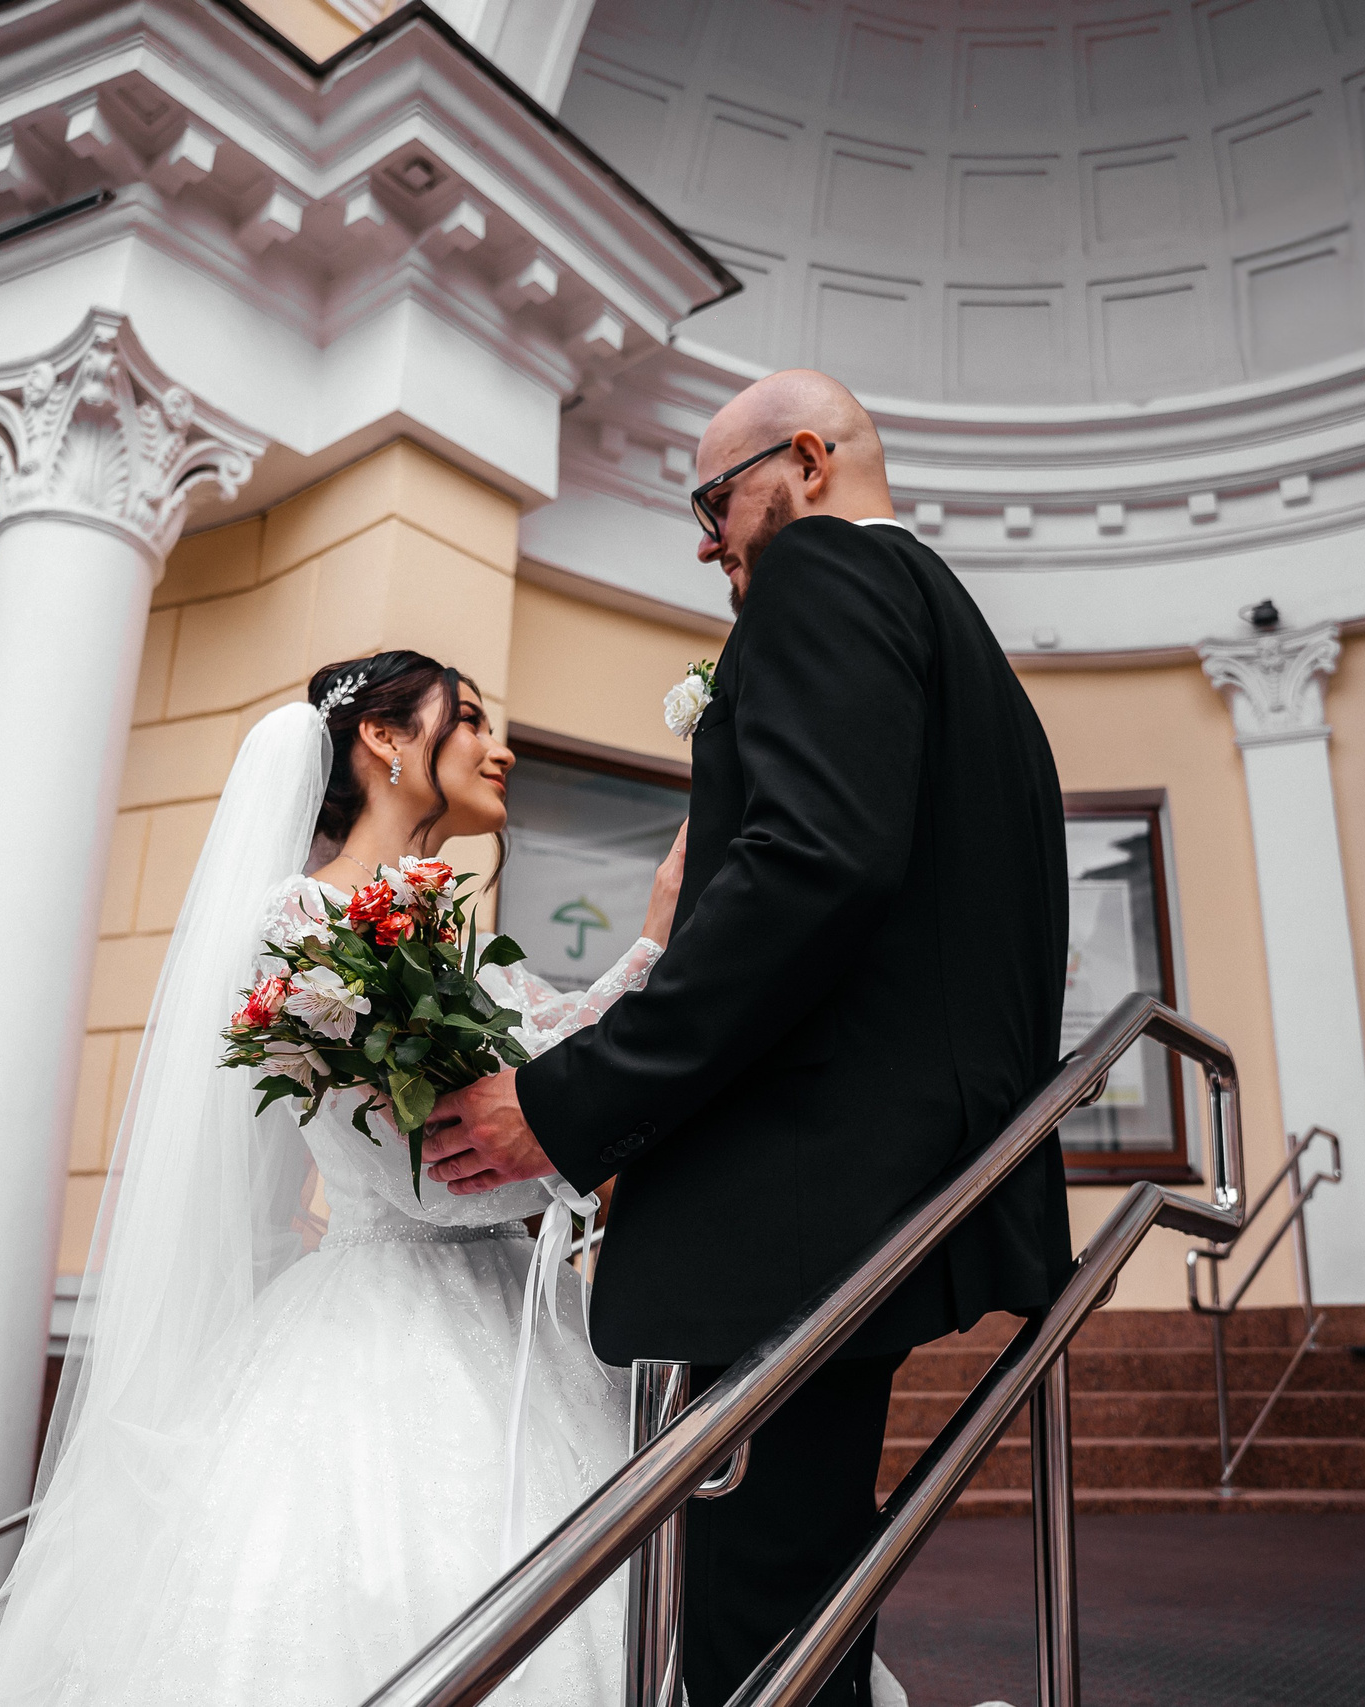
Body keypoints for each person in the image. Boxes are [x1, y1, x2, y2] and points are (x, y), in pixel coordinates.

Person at [425, 368, 1073, 1707]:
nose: (707, 538)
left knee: (752, 1622)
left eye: (716, 498)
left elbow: (806, 871)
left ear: (808, 461)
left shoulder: (822, 575)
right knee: (797, 1608)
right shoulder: (967, 645)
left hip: (804, 1197)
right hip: (898, 1182)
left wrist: (566, 1101)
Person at [0, 650, 681, 1707]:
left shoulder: (456, 938)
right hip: (386, 1327)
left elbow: (558, 1061)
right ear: (386, 741)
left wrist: (658, 940)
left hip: (525, 1329)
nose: (505, 747)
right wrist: (650, 964)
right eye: (472, 719)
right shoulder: (299, 930)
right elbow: (432, 1182)